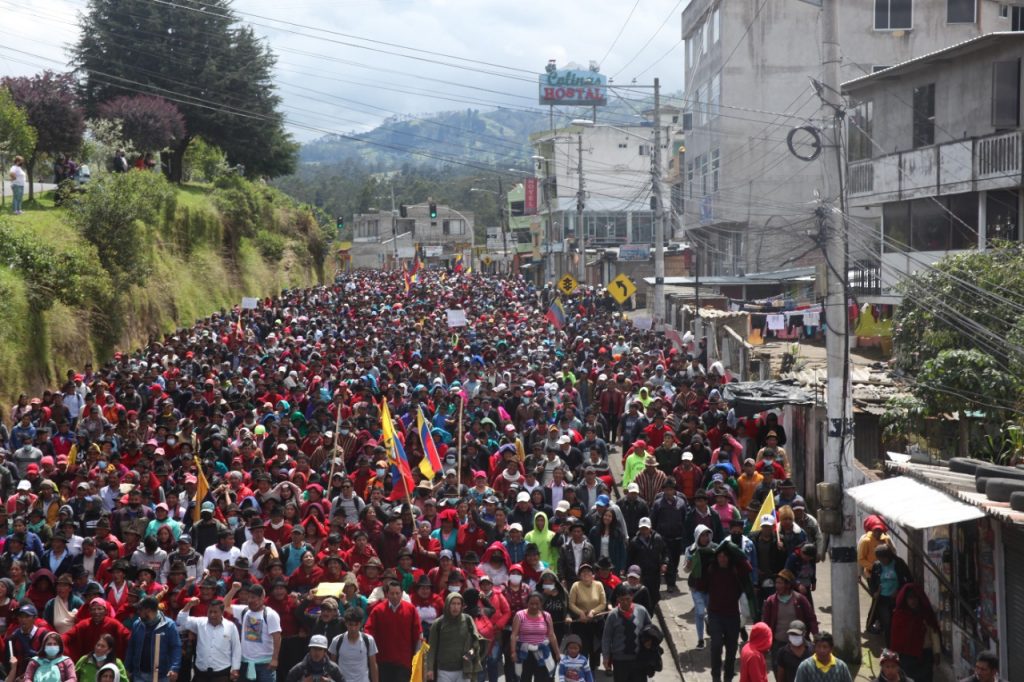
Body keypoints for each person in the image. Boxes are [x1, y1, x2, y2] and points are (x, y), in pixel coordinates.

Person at [363, 581, 421, 682]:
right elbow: (368, 633)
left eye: (397, 593)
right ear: (387, 594)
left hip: (404, 662)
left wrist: (417, 659)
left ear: (402, 594)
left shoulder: (411, 609)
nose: (395, 596)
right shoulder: (378, 610)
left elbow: (418, 635)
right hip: (383, 662)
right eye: (392, 593)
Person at [175, 597, 241, 682]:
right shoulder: (200, 623)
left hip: (222, 674)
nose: (212, 615)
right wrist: (189, 605)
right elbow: (181, 620)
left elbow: (236, 648)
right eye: (210, 612)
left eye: (215, 612)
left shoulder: (231, 626)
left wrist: (235, 668)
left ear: (222, 612)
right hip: (201, 674)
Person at [227, 585, 280, 682]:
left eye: (254, 597)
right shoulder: (244, 611)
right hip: (246, 663)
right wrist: (233, 589)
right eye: (249, 597)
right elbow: (225, 606)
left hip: (265, 665)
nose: (250, 600)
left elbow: (277, 637)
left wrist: (275, 659)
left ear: (262, 598)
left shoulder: (270, 614)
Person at [425, 592, 482, 682]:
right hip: (443, 671)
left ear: (461, 606)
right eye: (453, 603)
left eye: (458, 604)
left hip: (463, 670)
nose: (455, 607)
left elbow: (476, 644)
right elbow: (431, 649)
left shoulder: (468, 620)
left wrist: (468, 658)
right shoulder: (438, 624)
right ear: (448, 605)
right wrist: (430, 669)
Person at [889, 583, 939, 682]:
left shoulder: (926, 613)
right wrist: (893, 659)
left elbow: (934, 633)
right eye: (910, 598)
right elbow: (895, 639)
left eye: (915, 598)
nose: (913, 601)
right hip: (907, 657)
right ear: (905, 600)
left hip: (925, 655)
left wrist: (937, 652)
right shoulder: (899, 615)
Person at [125, 596, 182, 682]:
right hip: (139, 675)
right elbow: (131, 648)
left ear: (148, 610)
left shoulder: (169, 625)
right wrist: (127, 667)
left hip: (161, 676)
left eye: (140, 609)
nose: (138, 612)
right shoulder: (137, 624)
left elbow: (176, 647)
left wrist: (174, 668)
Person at [601, 584, 650, 682]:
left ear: (632, 597)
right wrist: (606, 657)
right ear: (618, 599)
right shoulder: (612, 615)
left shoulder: (641, 611)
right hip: (619, 660)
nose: (625, 602)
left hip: (638, 658)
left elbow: (649, 628)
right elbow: (606, 637)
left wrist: (649, 641)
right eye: (622, 599)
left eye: (628, 599)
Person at [510, 592, 560, 682]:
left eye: (537, 604)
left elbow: (551, 635)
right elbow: (514, 635)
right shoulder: (520, 615)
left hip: (542, 653)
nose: (534, 606)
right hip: (524, 654)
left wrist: (557, 652)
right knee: (524, 678)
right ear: (527, 603)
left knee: (541, 678)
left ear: (541, 604)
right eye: (531, 604)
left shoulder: (546, 616)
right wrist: (513, 652)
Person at [867, 545, 911, 646]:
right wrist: (874, 592)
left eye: (884, 558)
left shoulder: (899, 563)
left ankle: (901, 644)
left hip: (897, 599)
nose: (882, 561)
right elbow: (872, 581)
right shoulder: (877, 566)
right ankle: (890, 646)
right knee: (887, 624)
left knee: (898, 622)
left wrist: (899, 591)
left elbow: (908, 579)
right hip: (882, 599)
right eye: (880, 559)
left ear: (889, 556)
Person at [328, 607, 378, 682]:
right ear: (346, 623)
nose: (353, 628)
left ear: (361, 624)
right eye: (350, 624)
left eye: (356, 624)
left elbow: (373, 665)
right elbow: (332, 666)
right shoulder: (337, 641)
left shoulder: (369, 640)